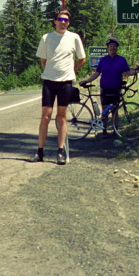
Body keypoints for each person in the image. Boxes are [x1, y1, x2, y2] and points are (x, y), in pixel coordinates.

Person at [30, 9, 86, 164]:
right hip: (49, 81)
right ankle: (40, 151)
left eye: (66, 20)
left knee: (61, 117)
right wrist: (50, 72)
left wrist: (71, 71)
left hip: (66, 82)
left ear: (69, 22)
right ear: (55, 21)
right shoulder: (46, 38)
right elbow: (43, 60)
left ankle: (60, 151)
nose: (63, 22)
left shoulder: (74, 38)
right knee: (46, 116)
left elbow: (82, 59)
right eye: (60, 19)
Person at [80, 37, 139, 137]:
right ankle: (104, 131)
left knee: (115, 110)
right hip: (105, 88)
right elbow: (97, 73)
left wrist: (136, 71)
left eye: (114, 46)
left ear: (116, 48)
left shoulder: (122, 60)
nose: (112, 48)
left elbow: (128, 72)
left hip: (116, 88)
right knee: (105, 110)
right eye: (110, 46)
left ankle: (115, 131)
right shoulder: (103, 60)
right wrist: (86, 81)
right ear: (108, 48)